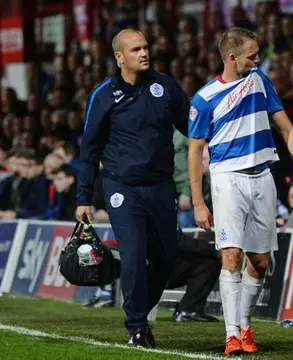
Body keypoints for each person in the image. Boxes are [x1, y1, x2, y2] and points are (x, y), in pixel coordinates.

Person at [187, 27, 293, 356]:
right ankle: (233, 334)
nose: (258, 60)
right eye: (252, 55)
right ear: (232, 58)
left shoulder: (260, 81)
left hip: (263, 177)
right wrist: (199, 202)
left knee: (259, 260)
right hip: (227, 177)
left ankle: (245, 325)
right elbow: (194, 151)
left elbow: (286, 128)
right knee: (232, 255)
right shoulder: (203, 99)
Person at [75, 29, 190, 348]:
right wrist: (84, 197)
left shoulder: (165, 86)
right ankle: (137, 326)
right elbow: (89, 149)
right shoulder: (103, 95)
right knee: (134, 254)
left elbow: (193, 128)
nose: (144, 53)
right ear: (119, 56)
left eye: (146, 47)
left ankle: (139, 310)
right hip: (122, 187)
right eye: (136, 48)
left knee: (166, 260)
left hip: (162, 186)